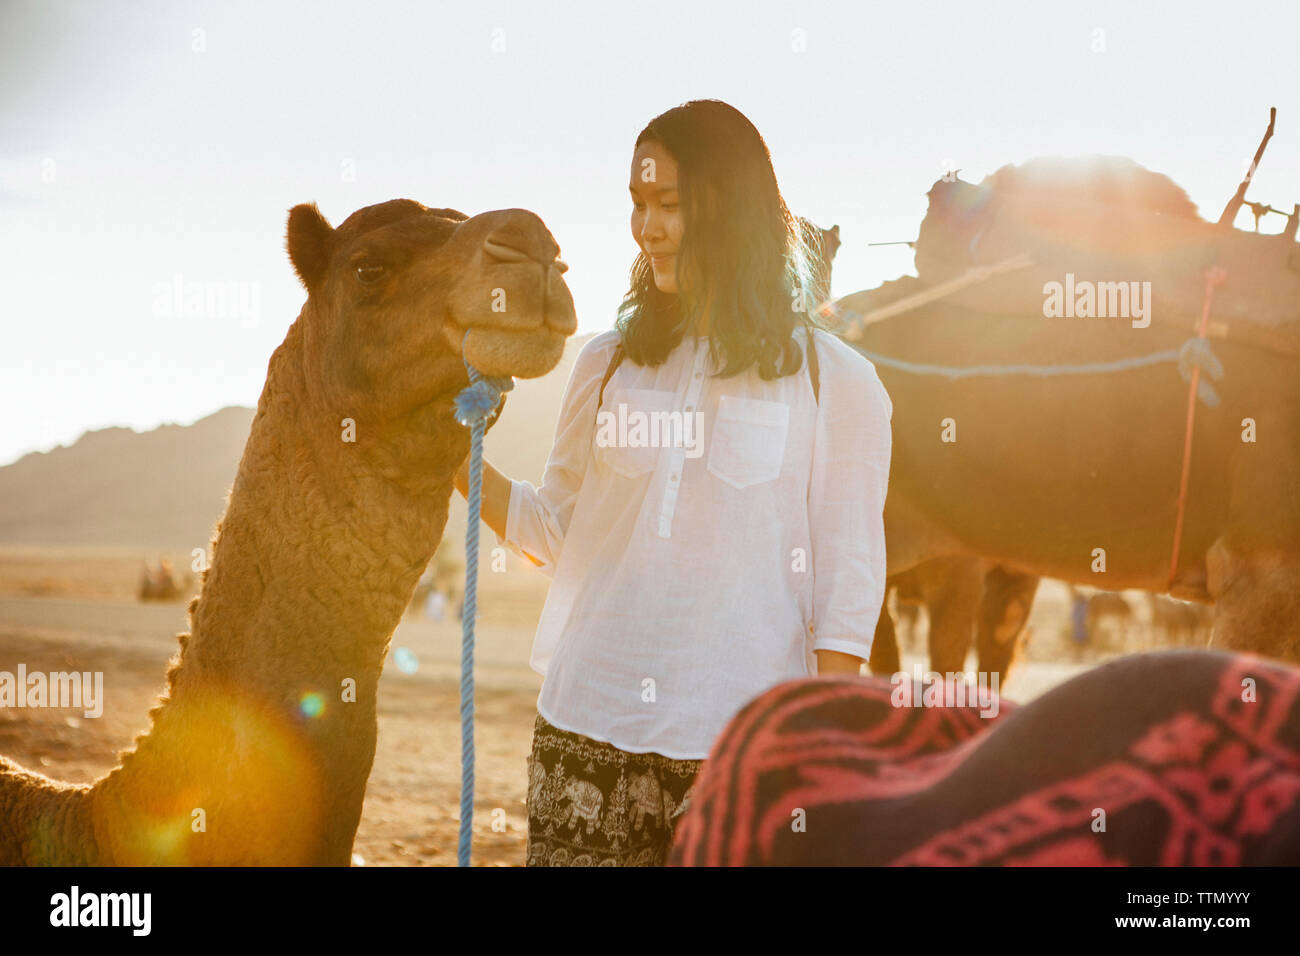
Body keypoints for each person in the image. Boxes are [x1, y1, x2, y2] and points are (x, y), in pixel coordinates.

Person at [453, 99, 893, 866]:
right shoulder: (608, 362)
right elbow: (556, 531)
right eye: (637, 204)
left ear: (731, 210)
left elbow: (847, 596)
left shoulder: (835, 382)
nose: (645, 227)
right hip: (581, 731)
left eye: (669, 205)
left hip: (743, 757)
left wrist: (816, 756)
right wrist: (451, 453)